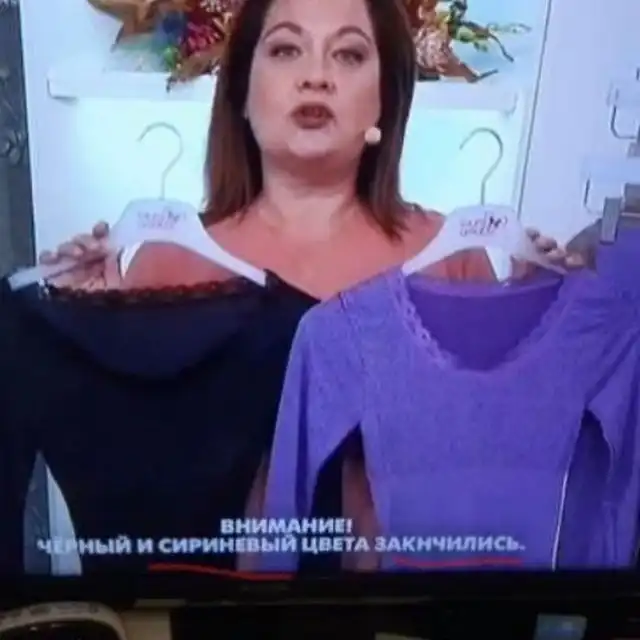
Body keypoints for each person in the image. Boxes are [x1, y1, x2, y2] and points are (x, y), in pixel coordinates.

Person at [38, 0, 585, 570]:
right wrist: (88, 333)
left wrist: (534, 326)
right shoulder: (168, 261)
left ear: (386, 98)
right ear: (242, 91)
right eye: (285, 49)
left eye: (348, 54)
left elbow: (493, 480)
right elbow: (135, 502)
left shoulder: (452, 257)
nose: (316, 75)